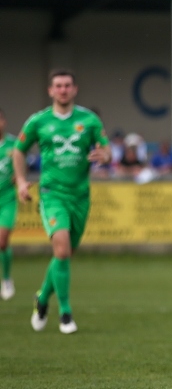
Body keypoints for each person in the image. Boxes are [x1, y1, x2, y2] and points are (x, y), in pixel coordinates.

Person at [13, 68, 111, 334]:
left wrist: (104, 156)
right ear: (50, 90)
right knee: (62, 250)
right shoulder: (38, 121)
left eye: (67, 85)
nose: (63, 90)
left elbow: (107, 148)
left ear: (75, 89)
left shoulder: (89, 120)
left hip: (80, 197)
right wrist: (21, 181)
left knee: (64, 256)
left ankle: (42, 298)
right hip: (52, 194)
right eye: (58, 85)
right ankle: (65, 313)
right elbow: (18, 151)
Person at [0, 109, 17, 300]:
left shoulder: (13, 144)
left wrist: (19, 176)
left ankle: (6, 279)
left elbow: (22, 165)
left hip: (7, 200)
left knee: (2, 241)